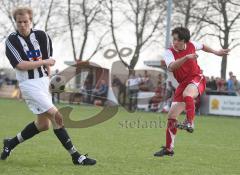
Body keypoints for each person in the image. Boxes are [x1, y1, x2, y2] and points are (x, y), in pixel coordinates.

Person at [0, 7, 96, 165]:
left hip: (43, 82)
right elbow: (21, 65)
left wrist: (49, 79)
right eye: (19, 22)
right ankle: (76, 156)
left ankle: (10, 144)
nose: (22, 25)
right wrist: (45, 62)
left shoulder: (42, 36)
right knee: (57, 117)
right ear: (15, 22)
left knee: (43, 125)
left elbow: (47, 59)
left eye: (25, 21)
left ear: (31, 21)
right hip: (29, 85)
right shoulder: (12, 40)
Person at [154, 27, 230, 157]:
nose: (174, 42)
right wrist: (186, 57)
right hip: (182, 84)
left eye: (176, 40)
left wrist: (217, 52)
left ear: (184, 41)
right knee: (171, 117)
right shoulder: (169, 52)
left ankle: (190, 121)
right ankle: (169, 149)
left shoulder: (192, 44)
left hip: (197, 78)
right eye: (173, 39)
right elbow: (171, 67)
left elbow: (204, 46)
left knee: (188, 94)